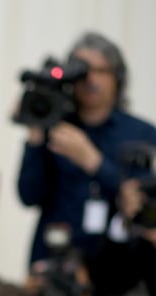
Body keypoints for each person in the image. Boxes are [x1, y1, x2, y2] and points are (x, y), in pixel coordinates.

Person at [17, 31, 156, 270]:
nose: (91, 79)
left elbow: (141, 204)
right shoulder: (55, 127)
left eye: (101, 71)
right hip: (53, 258)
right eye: (83, 71)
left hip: (117, 263)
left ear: (117, 78)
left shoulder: (141, 132)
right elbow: (28, 195)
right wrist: (37, 130)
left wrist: (94, 162)